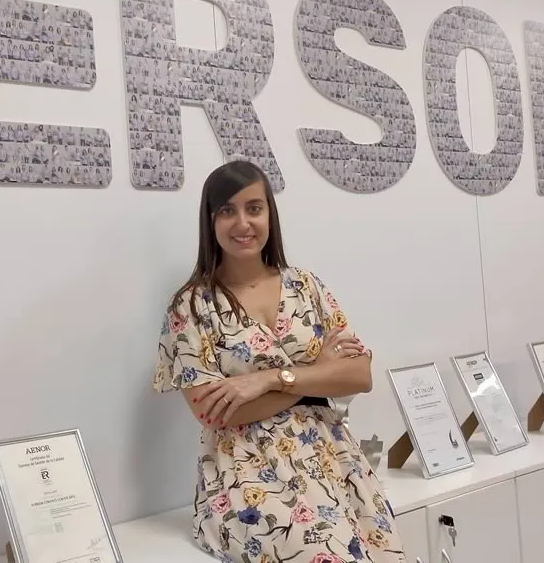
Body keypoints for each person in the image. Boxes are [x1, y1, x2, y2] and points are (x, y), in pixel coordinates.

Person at [153, 160, 408, 563]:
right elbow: (213, 412)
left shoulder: (305, 286)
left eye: (254, 208)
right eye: (227, 210)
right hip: (246, 473)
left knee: (387, 553)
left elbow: (359, 375)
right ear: (210, 221)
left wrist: (269, 379)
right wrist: (316, 375)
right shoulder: (192, 307)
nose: (243, 223)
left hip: (334, 458)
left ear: (269, 214)